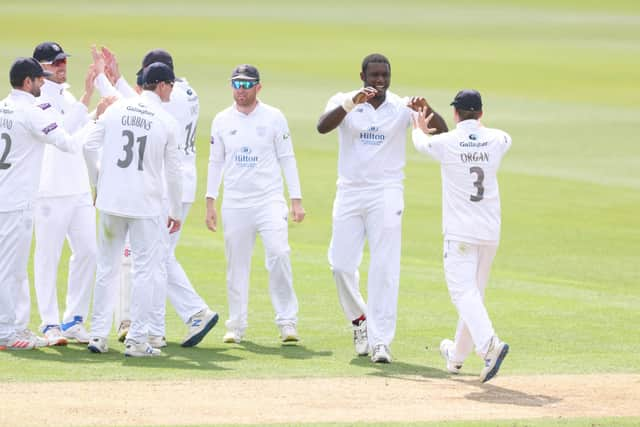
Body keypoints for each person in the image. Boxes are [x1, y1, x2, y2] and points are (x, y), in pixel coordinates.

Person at [316, 53, 447, 363]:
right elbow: (322, 127)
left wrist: (426, 109)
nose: (379, 81)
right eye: (374, 76)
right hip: (349, 191)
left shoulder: (400, 107)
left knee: (384, 268)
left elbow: (441, 131)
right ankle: (361, 320)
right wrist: (352, 103)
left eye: (384, 76)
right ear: (362, 75)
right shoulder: (344, 100)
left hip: (386, 193)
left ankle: (381, 341)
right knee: (340, 264)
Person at [92, 47, 219, 348]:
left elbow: (133, 110)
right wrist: (117, 78)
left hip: (165, 184)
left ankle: (186, 316)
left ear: (160, 80)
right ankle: (158, 328)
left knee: (154, 260)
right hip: (176, 182)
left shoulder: (171, 99)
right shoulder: (188, 91)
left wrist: (103, 80)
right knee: (158, 258)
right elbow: (138, 105)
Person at [0, 58, 104, 350]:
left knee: (12, 267)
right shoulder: (30, 111)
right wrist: (92, 118)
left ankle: (15, 327)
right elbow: (67, 142)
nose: (42, 83)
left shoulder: (3, 107)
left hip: (5, 195)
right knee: (11, 268)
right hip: (19, 200)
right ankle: (7, 332)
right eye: (38, 79)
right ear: (27, 82)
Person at [83, 62, 182, 357]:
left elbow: (88, 145)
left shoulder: (116, 110)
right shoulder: (165, 120)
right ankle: (137, 340)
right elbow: (174, 173)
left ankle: (98, 335)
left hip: (111, 201)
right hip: (144, 205)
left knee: (106, 268)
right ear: (162, 86)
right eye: (170, 85)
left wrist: (97, 183)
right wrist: (175, 210)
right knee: (145, 272)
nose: (171, 90)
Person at [411, 89, 511, 382]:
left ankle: (489, 344)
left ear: (455, 113)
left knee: (462, 292)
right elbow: (503, 139)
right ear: (481, 113)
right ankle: (456, 357)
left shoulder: (446, 142)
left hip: (460, 232)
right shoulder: (499, 139)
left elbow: (421, 143)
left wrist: (418, 127)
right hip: (490, 231)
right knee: (473, 295)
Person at [206, 64, 305, 344]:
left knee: (279, 254)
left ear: (258, 87)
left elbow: (287, 157)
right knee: (236, 265)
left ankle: (287, 322)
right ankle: (236, 325)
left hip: (269, 200)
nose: (241, 90)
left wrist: (295, 199)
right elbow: (216, 161)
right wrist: (210, 201)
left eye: (247, 85)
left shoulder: (274, 117)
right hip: (236, 202)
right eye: (236, 84)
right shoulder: (222, 120)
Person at [31, 41, 98, 346]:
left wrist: (96, 112)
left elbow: (81, 134)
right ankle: (49, 323)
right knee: (48, 257)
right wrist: (88, 97)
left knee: (88, 252)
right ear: (40, 68)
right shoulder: (37, 99)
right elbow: (62, 132)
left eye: (63, 61)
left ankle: (73, 319)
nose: (62, 66)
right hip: (50, 190)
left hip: (78, 187)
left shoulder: (66, 94)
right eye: (55, 62)